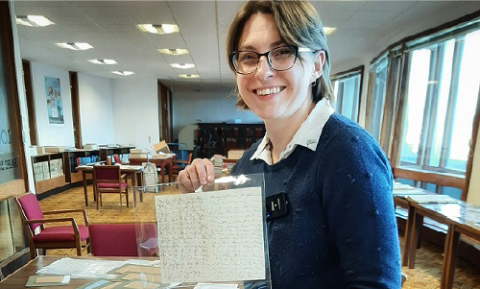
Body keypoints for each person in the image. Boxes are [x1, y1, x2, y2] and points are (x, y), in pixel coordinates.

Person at [178, 0, 401, 288]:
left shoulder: (349, 154)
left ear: (316, 65)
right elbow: (236, 263)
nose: (262, 71)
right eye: (248, 56)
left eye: (283, 52)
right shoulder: (249, 163)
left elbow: (376, 284)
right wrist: (193, 202)